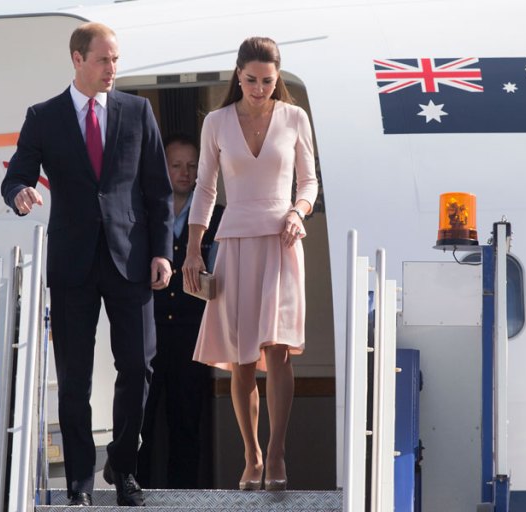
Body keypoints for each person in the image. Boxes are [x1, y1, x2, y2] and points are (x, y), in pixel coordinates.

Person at [0, 22, 173, 507]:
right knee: (73, 378)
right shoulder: (44, 116)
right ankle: (79, 481)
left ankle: (122, 463)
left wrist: (162, 250)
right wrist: (20, 193)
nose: (113, 69)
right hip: (73, 262)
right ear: (77, 59)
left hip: (131, 259)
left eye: (116, 59)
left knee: (138, 367)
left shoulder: (138, 112)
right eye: (103, 60)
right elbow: (15, 175)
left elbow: (158, 191)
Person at [182, 36, 318, 492]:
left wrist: (299, 211)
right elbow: (205, 189)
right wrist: (193, 247)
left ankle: (277, 453)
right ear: (237, 74)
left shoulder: (295, 117)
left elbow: (309, 181)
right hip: (235, 242)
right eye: (252, 79)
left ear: (277, 78)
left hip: (282, 238)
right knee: (242, 360)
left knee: (277, 351)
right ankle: (252, 455)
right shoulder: (217, 123)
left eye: (268, 80)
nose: (260, 88)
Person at [136, 134, 224, 489]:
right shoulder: (142, 212)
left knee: (187, 420)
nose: (185, 173)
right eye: (176, 165)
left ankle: (185, 496)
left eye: (192, 166)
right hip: (147, 331)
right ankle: (134, 490)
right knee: (140, 418)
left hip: (194, 335)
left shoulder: (218, 217)